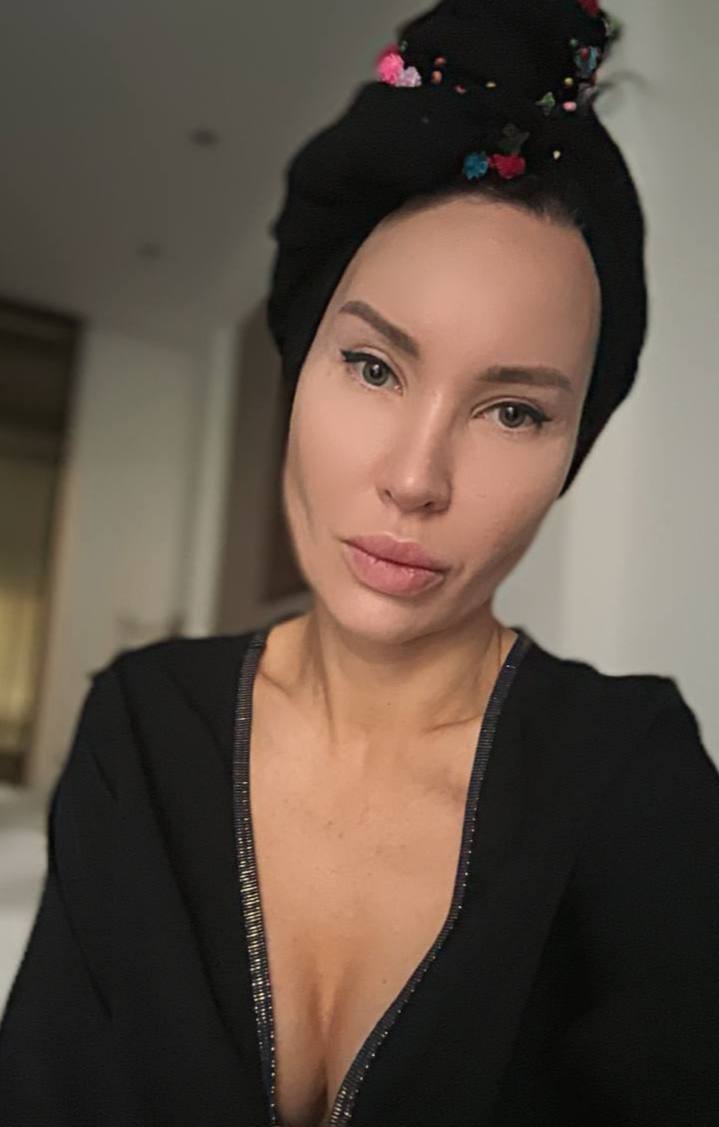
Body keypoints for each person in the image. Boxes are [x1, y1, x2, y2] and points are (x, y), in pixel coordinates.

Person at [1, 2, 718, 1125]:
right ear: (299, 367)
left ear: (569, 449)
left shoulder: (633, 776)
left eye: (514, 411)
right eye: (374, 367)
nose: (415, 478)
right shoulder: (141, 723)